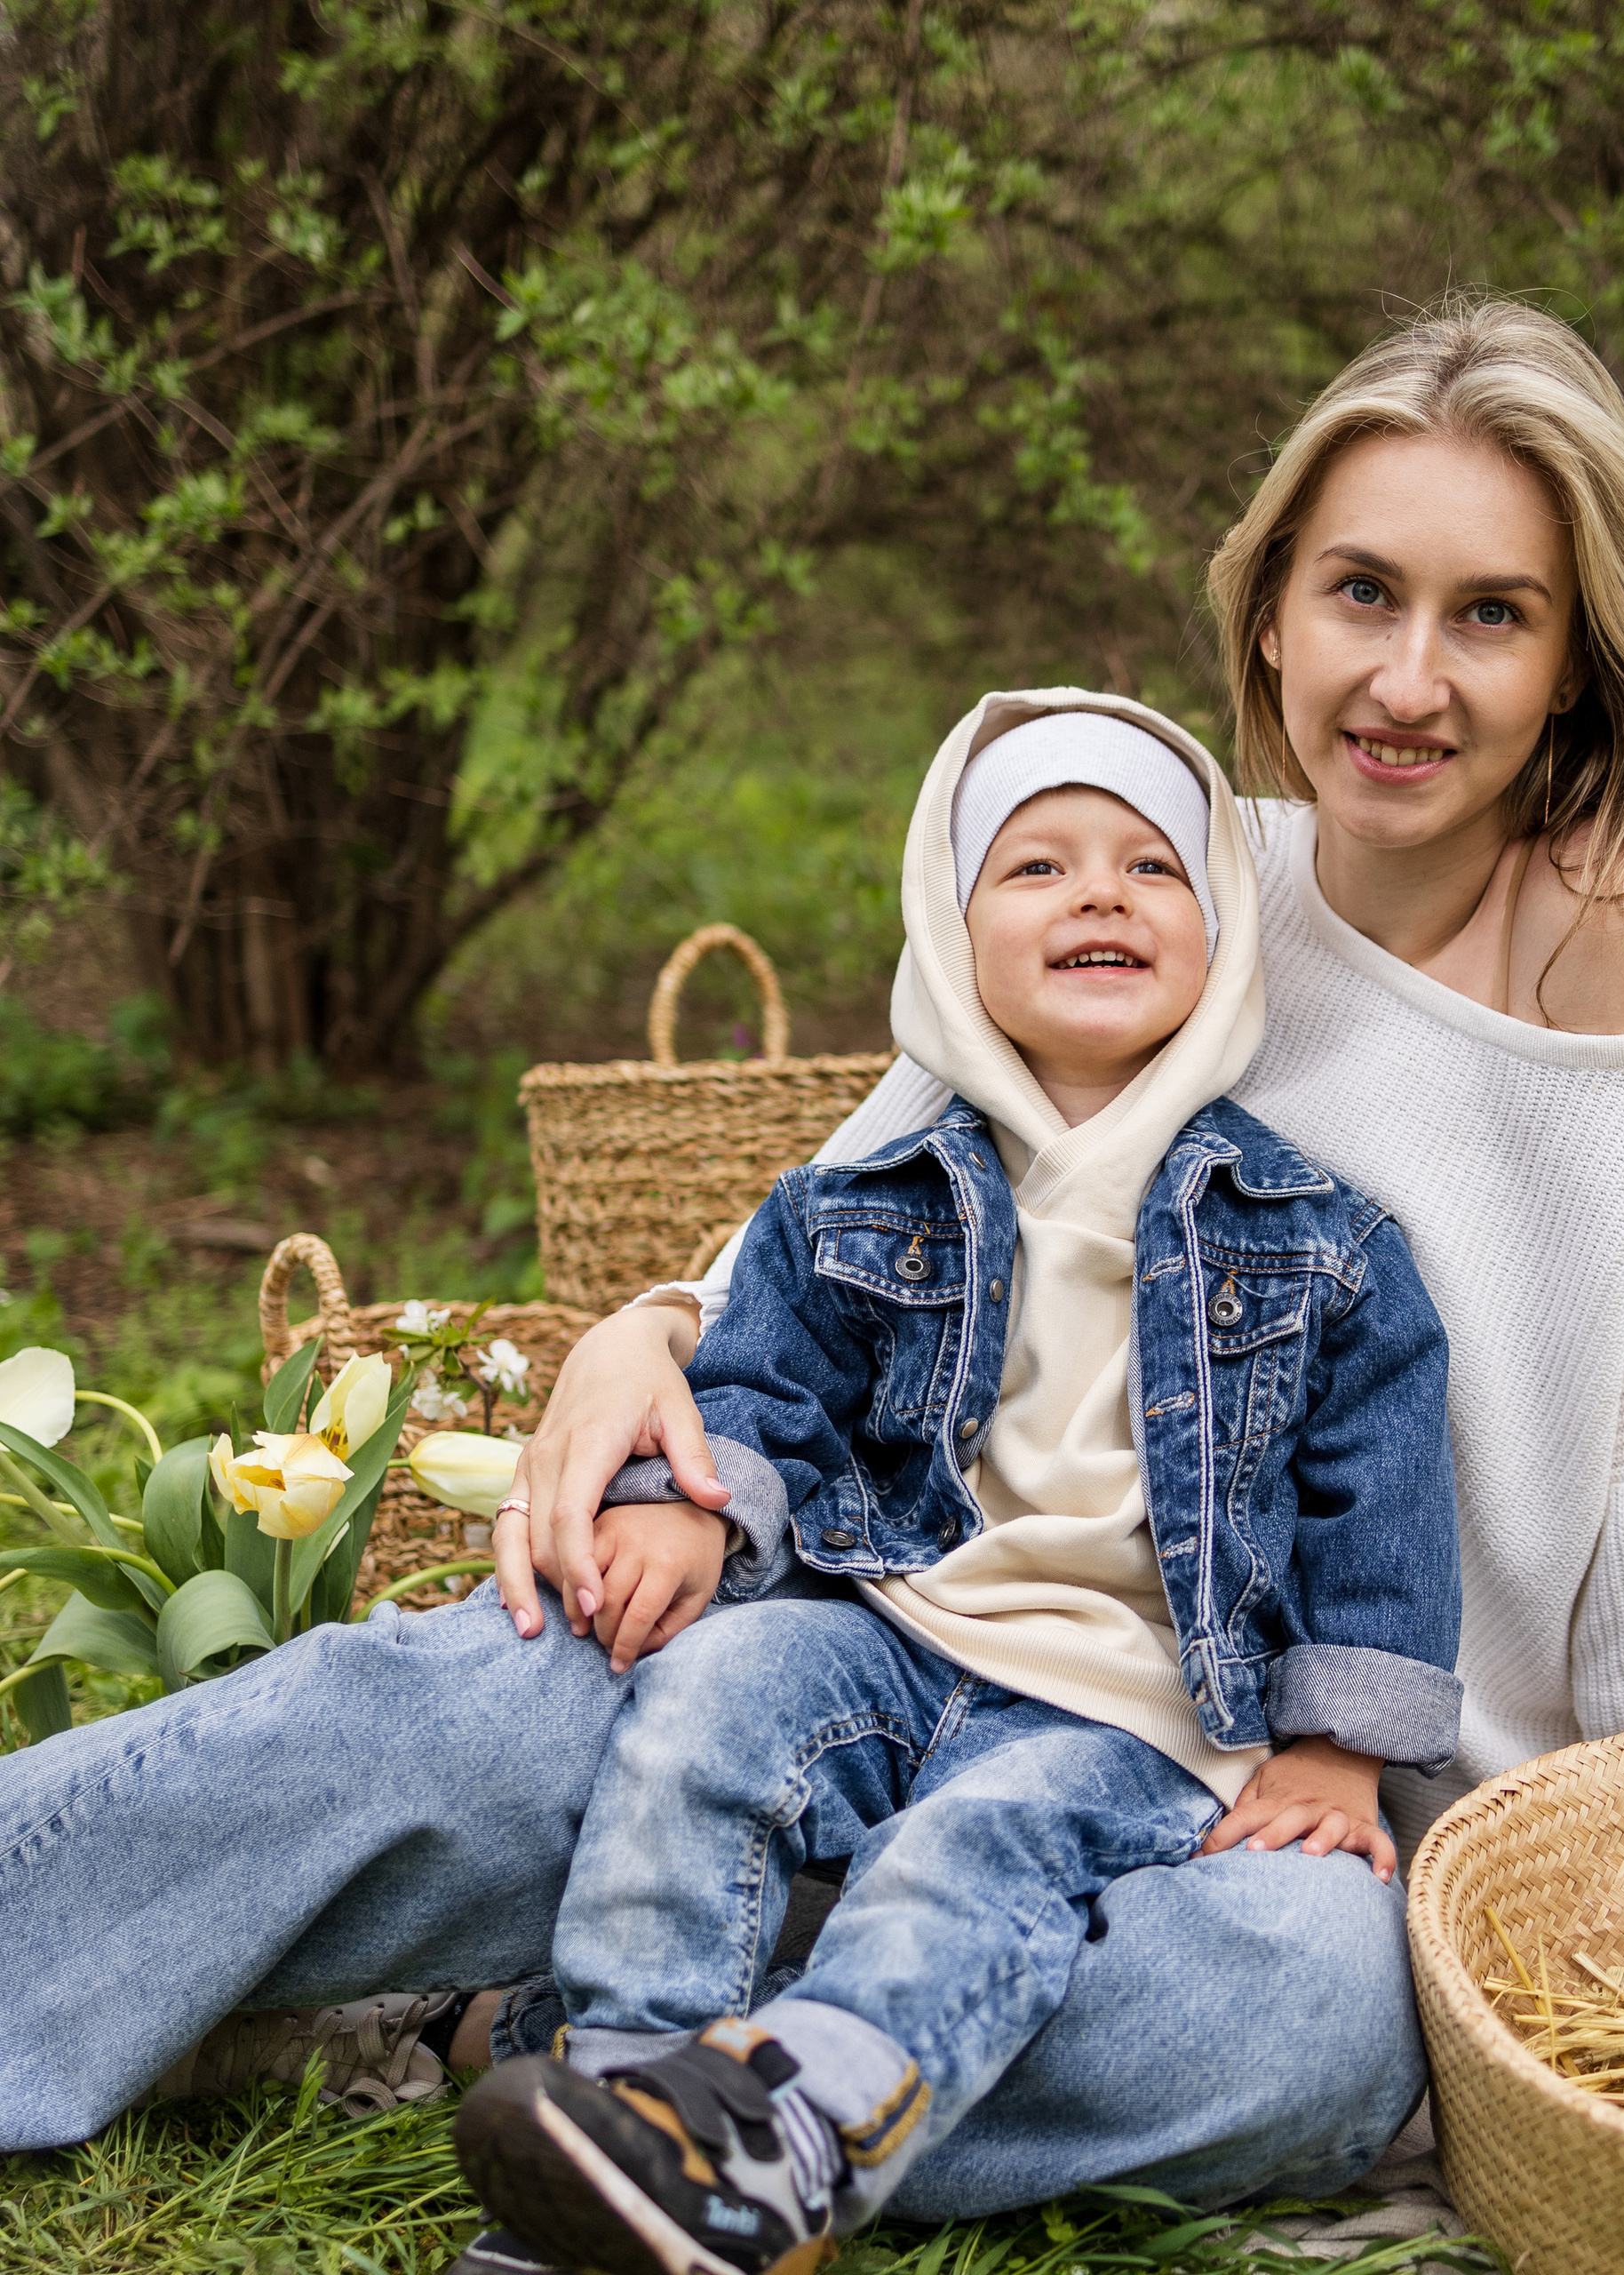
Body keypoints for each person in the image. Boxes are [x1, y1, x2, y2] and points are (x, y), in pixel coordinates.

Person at [0, 299, 1624, 2231]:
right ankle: (650, 2053)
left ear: (1575, 659)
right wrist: (654, 1324)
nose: (1406, 677)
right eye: (1362, 590)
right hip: (878, 1648)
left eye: (1490, 614)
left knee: (1302, 2016)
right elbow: (874, 1200)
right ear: (1273, 607)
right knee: (511, 1687)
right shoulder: (1161, 865)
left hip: (1256, 1813)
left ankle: (600, 2052)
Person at [450, 705, 1459, 2275]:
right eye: (1037, 866)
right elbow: (761, 1385)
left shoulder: (1323, 1240)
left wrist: (1337, 1746)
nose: (1101, 892)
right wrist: (686, 1500)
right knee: (704, 1704)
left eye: (1152, 868)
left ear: (1221, 933)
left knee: (975, 1846)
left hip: (1137, 1703)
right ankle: (623, 2128)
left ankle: (788, 2139)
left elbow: (1378, 1503)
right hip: (894, 1626)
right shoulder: (858, 1202)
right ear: (952, 928)